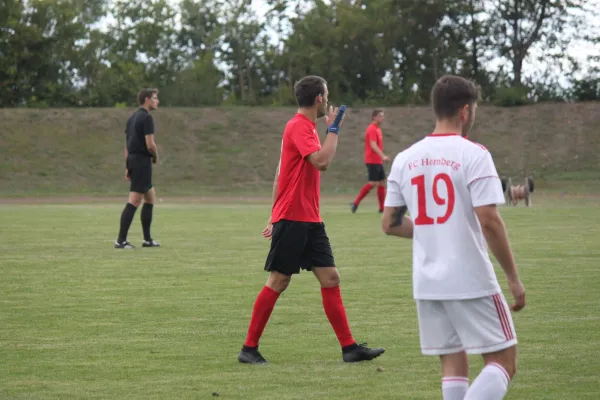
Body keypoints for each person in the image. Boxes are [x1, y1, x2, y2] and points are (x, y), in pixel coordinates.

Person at [381, 75, 526, 400]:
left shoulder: (405, 158)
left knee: (453, 363)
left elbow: (389, 223)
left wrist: (432, 230)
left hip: (428, 282)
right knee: (504, 360)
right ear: (465, 111)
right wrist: (513, 278)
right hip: (470, 278)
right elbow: (489, 220)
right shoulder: (473, 154)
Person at [238, 75, 385, 364]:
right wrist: (334, 129)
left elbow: (281, 173)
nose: (328, 100)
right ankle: (248, 348)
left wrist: (273, 212)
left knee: (330, 278)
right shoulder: (300, 126)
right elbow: (323, 162)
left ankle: (349, 348)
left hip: (309, 219)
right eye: (326, 94)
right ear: (319, 98)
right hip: (294, 218)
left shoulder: (304, 128)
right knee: (279, 281)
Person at [114, 88, 161, 249]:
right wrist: (155, 155)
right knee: (134, 201)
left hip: (134, 161)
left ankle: (147, 240)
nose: (157, 101)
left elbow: (127, 145)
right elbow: (150, 144)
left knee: (150, 197)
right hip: (142, 162)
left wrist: (128, 165)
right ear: (147, 100)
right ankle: (121, 241)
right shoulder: (147, 118)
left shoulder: (132, 118)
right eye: (155, 98)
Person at [350, 108, 390, 214]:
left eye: (383, 116)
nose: (382, 118)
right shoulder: (372, 129)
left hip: (378, 161)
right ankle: (355, 203)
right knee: (372, 183)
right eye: (380, 116)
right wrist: (383, 156)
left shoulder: (378, 129)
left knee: (381, 183)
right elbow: (373, 145)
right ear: (374, 117)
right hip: (372, 160)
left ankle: (382, 208)